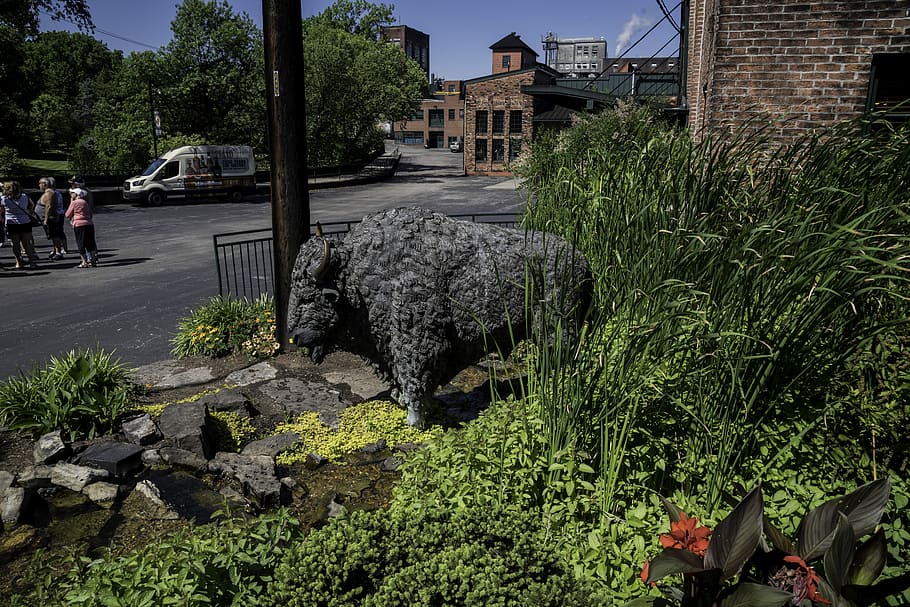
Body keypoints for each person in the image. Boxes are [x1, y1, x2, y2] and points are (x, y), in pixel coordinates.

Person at [1, 181, 39, 269]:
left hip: (11, 222)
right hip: (25, 221)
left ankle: (18, 262)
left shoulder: (4, 199)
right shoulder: (24, 196)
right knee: (27, 243)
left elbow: (1, 210)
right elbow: (31, 205)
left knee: (15, 244)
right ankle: (31, 262)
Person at [65, 187, 97, 268]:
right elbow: (90, 213)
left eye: (72, 193)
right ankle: (93, 260)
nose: (71, 194)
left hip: (79, 224)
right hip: (89, 223)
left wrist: (71, 202)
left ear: (76, 194)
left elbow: (67, 214)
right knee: (90, 242)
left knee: (81, 242)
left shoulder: (74, 202)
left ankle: (84, 261)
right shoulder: (85, 202)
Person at [37, 177, 67, 259]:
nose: (39, 185)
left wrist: (46, 219)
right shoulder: (48, 193)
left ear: (45, 184)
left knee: (55, 235)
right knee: (53, 235)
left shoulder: (49, 193)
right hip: (50, 218)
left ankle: (58, 252)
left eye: (40, 183)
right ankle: (55, 250)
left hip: (51, 219)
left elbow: (48, 206)